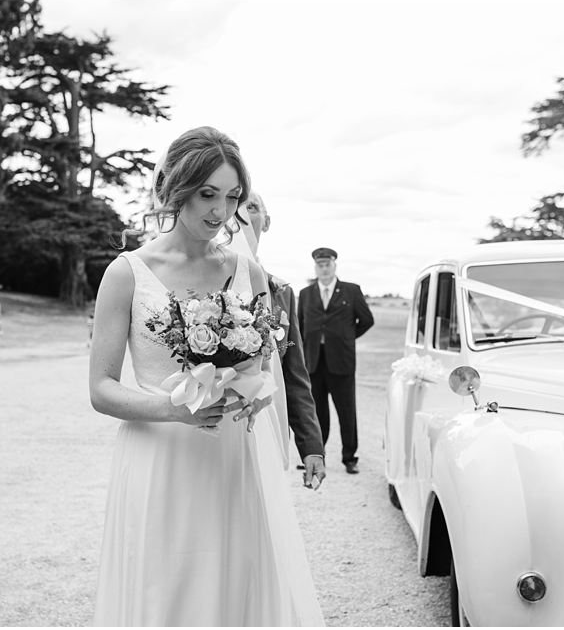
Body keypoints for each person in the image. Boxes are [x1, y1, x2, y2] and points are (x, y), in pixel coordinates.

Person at [89, 126, 324, 626]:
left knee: (237, 589)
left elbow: (263, 368)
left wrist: (247, 390)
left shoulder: (248, 272)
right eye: (208, 194)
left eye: (232, 196)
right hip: (159, 456)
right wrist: (172, 409)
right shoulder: (127, 272)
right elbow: (101, 389)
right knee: (165, 594)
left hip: (232, 456)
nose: (220, 212)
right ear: (178, 188)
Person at [237, 191, 327, 483]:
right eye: (235, 205)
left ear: (266, 222)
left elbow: (294, 374)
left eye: (252, 207)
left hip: (269, 426)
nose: (242, 214)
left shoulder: (282, 292)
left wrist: (311, 446)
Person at [298, 247, 374, 474]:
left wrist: (347, 338)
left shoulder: (351, 291)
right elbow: (301, 326)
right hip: (314, 363)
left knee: (346, 412)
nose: (323, 268)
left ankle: (350, 458)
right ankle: (315, 456)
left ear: (334, 266)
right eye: (319, 265)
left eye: (327, 264)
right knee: (316, 414)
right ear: (315, 268)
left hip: (341, 362)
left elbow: (367, 320)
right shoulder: (306, 294)